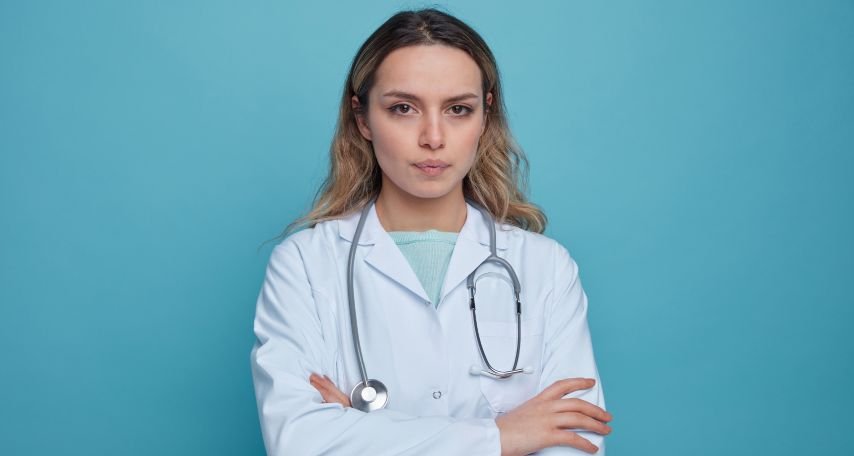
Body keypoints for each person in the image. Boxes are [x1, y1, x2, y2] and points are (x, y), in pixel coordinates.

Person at [250, 7, 612, 455]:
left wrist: (360, 432)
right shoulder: (304, 264)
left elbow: (572, 443)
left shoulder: (546, 267)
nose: (433, 137)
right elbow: (301, 443)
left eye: (458, 109)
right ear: (362, 118)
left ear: (485, 117)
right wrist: (501, 436)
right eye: (403, 108)